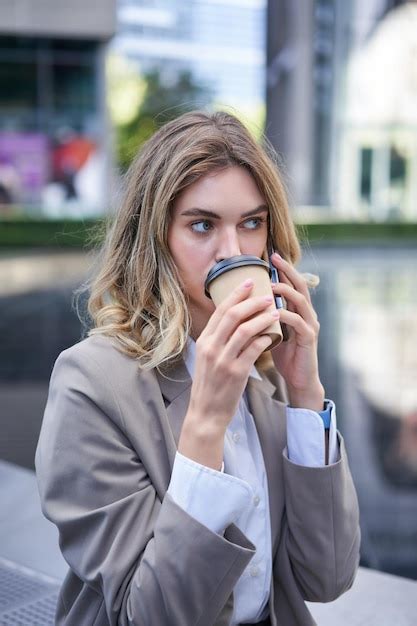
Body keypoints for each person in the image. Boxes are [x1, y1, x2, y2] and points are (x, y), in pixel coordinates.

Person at [35, 110, 361, 626]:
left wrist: (305, 394)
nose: (232, 253)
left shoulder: (270, 373)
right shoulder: (91, 383)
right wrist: (207, 421)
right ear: (154, 238)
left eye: (251, 223)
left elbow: (328, 577)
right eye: (202, 225)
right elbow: (150, 615)